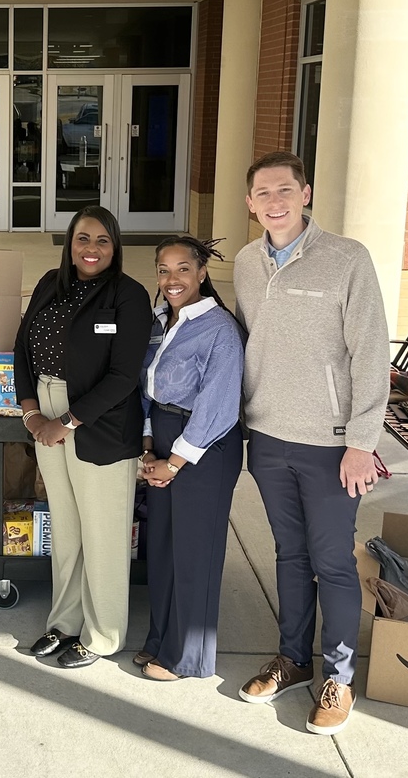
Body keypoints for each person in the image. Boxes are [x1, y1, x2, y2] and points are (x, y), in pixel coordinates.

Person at [234, 151, 389, 735]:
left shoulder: (347, 259)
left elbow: (371, 351)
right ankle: (294, 659)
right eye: (263, 193)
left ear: (305, 194)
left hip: (332, 447)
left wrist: (361, 441)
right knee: (290, 555)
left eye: (284, 190)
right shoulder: (249, 263)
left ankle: (339, 678)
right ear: (251, 204)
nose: (274, 201)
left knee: (333, 563)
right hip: (268, 437)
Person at [14, 206, 152, 668]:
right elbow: (22, 350)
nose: (91, 249)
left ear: (115, 247)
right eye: (82, 239)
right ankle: (64, 623)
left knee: (104, 534)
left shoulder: (129, 297)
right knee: (67, 530)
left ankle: (102, 635)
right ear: (69, 243)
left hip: (99, 422)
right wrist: (32, 413)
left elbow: (123, 376)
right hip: (47, 411)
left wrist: (65, 422)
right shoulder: (49, 287)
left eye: (102, 241)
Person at [135, 236, 245, 682]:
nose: (172, 279)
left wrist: (175, 462)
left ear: (202, 273)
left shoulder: (219, 328)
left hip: (204, 447)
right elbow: (149, 388)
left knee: (194, 552)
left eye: (183, 269)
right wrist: (147, 443)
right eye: (164, 270)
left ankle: (186, 657)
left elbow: (218, 404)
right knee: (162, 547)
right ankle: (160, 638)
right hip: (161, 437)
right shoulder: (160, 322)